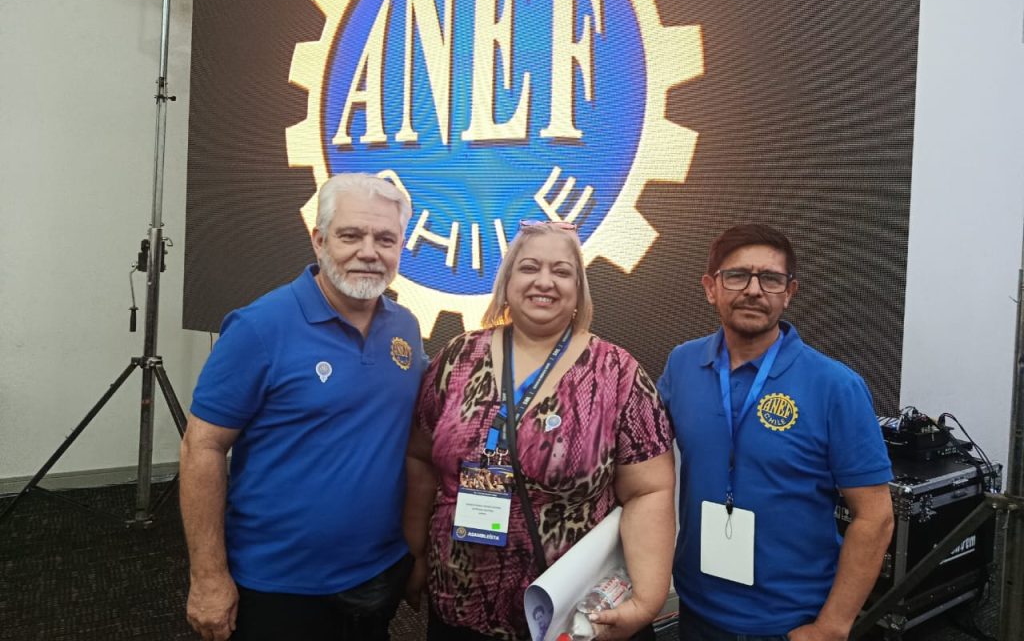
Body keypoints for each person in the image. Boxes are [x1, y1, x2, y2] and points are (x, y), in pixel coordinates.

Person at [179, 173, 427, 641]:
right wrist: (207, 577)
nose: (369, 252)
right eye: (351, 235)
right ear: (319, 240)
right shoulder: (259, 328)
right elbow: (202, 447)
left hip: (380, 570)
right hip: (279, 585)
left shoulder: (406, 328)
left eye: (385, 239)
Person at [404, 220, 676, 641]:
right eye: (529, 267)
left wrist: (646, 601)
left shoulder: (616, 374)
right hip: (459, 609)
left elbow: (650, 489)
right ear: (507, 281)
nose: (544, 281)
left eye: (561, 271)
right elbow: (420, 457)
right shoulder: (458, 357)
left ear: (579, 289)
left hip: (570, 616)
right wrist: (416, 554)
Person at [657, 224, 894, 641]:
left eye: (770, 279)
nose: (753, 290)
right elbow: (639, 463)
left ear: (789, 293)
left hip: (791, 621)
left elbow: (875, 517)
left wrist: (832, 626)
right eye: (737, 276)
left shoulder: (836, 387)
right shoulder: (682, 364)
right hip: (696, 611)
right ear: (711, 288)